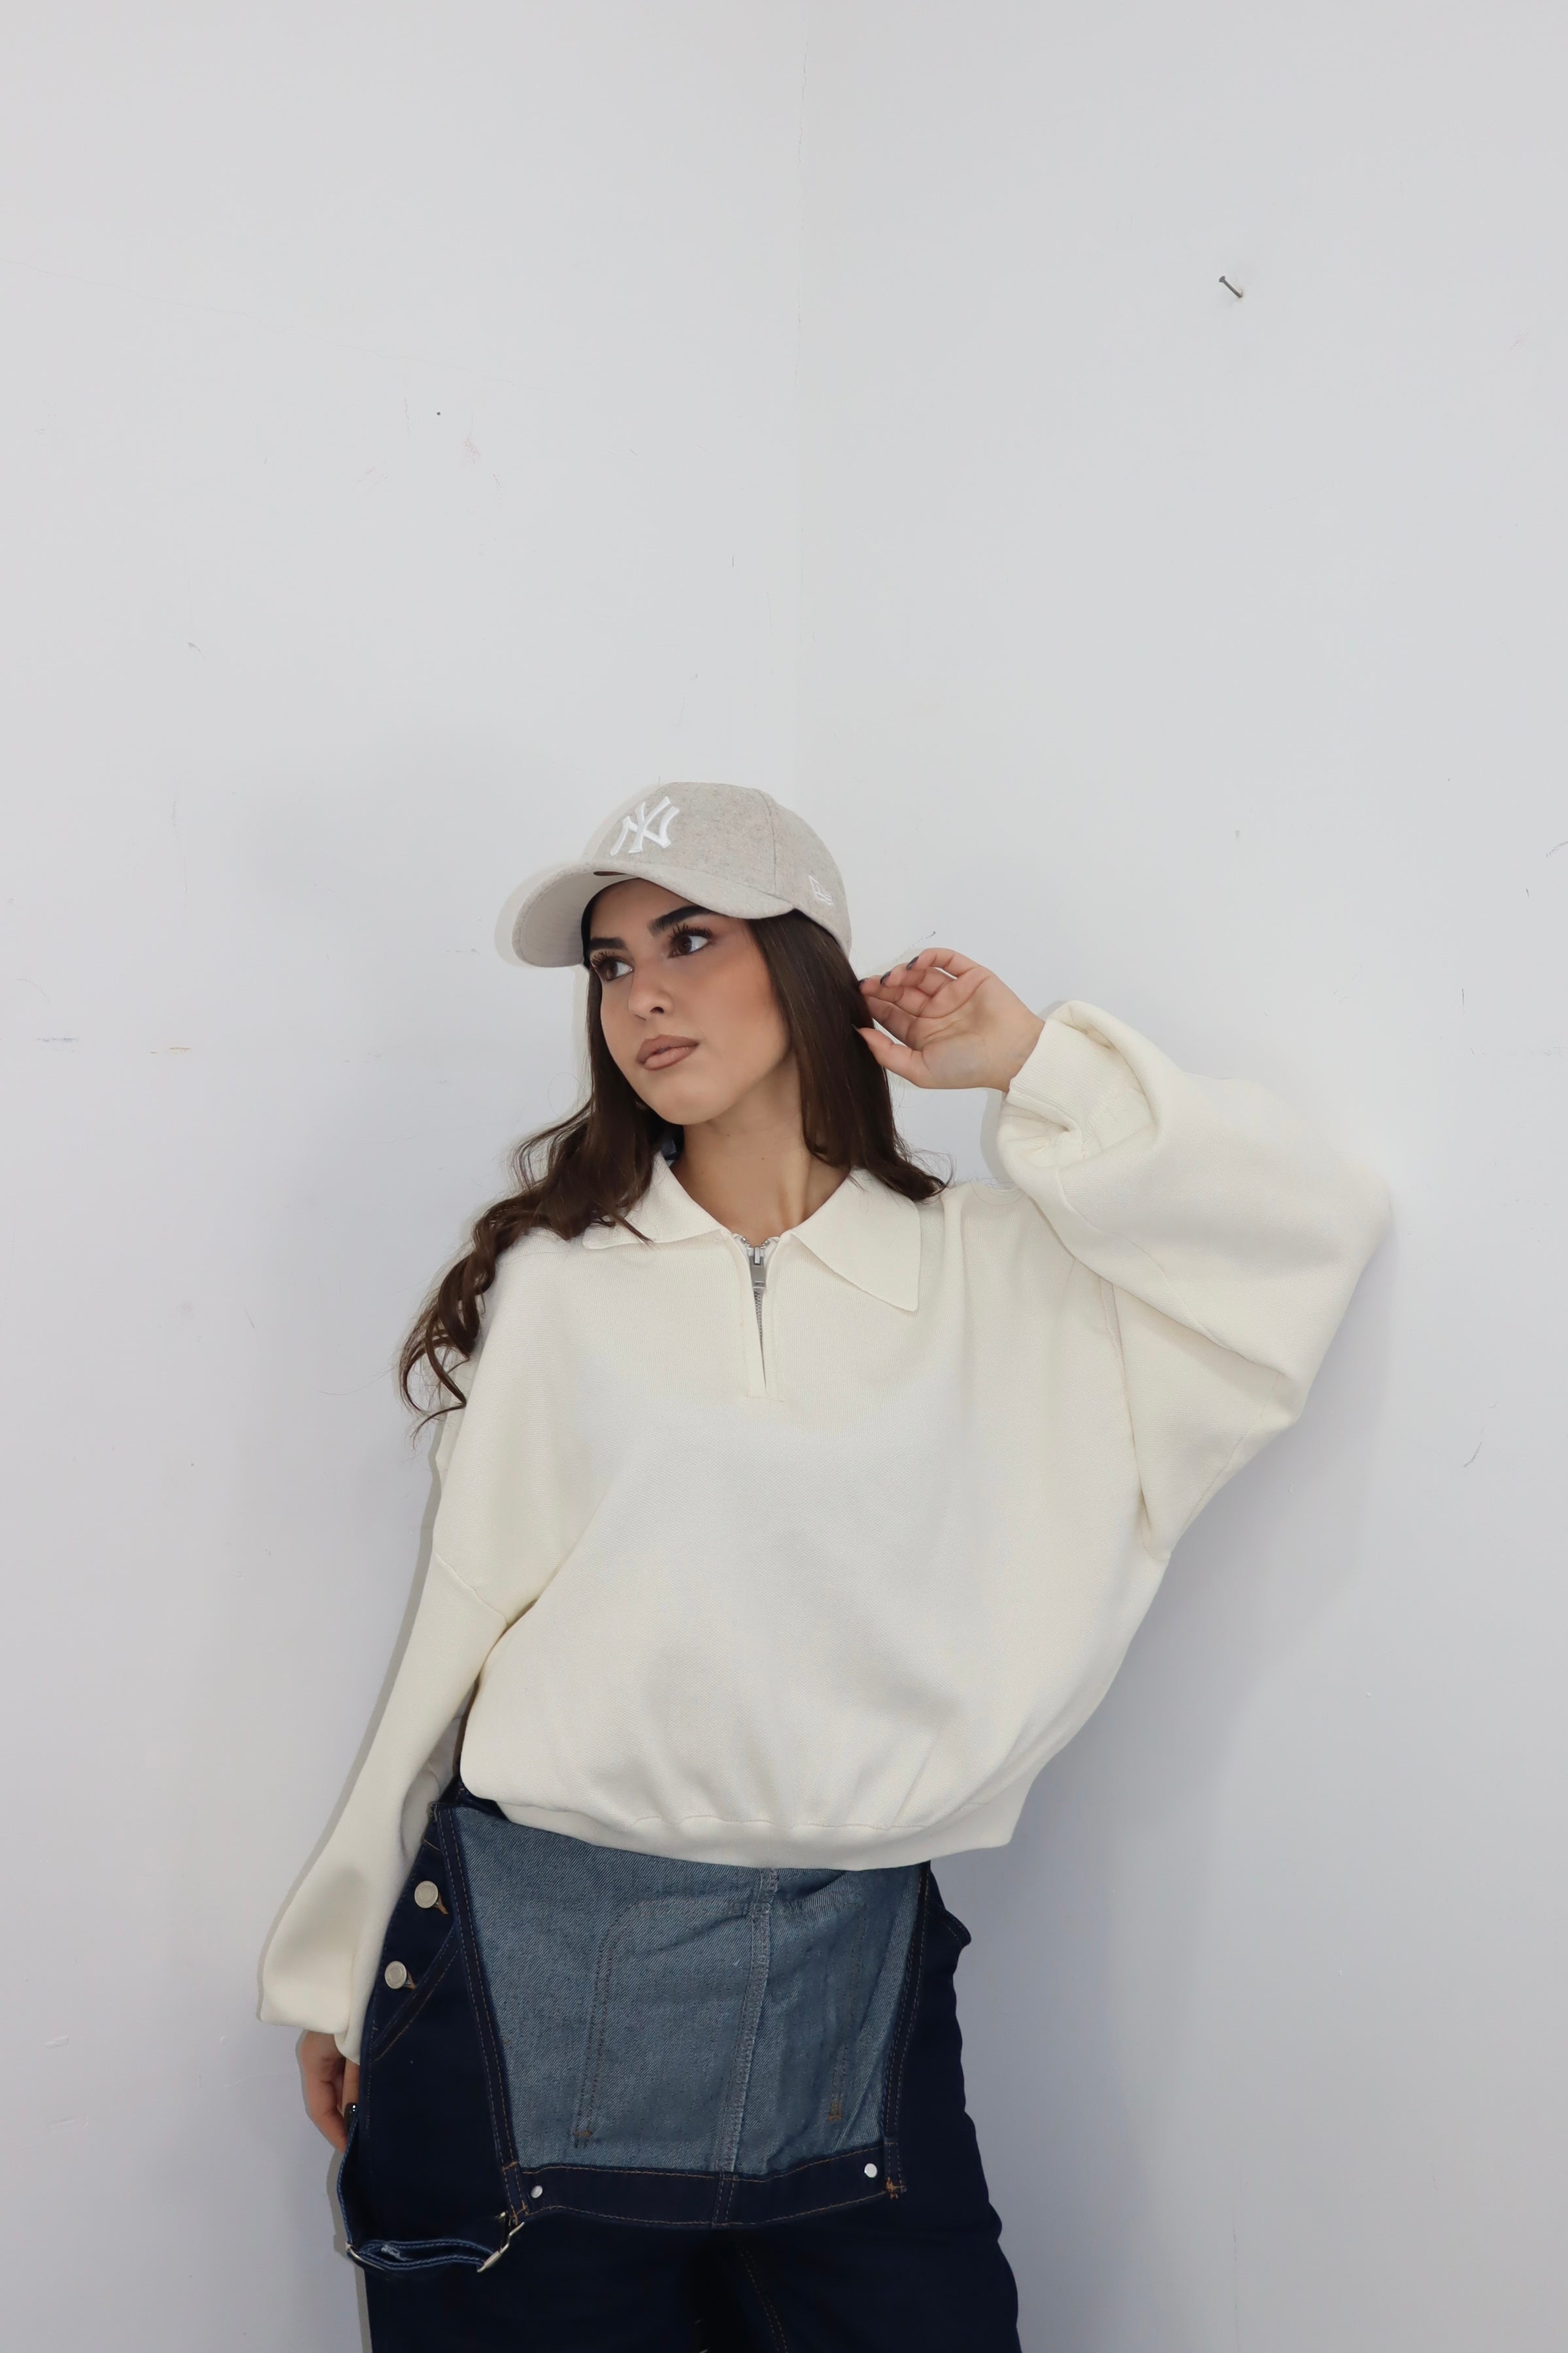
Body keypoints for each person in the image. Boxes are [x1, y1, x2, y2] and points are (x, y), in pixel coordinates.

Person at [259, 782, 1389, 2351]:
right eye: (609, 965)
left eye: (690, 941)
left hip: (851, 1990)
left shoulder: (1001, 1276)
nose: (641, 996)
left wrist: (1034, 1063)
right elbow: (453, 1635)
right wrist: (340, 1966)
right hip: (523, 1975)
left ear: (804, 967)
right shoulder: (564, 1287)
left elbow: (1309, 1235)